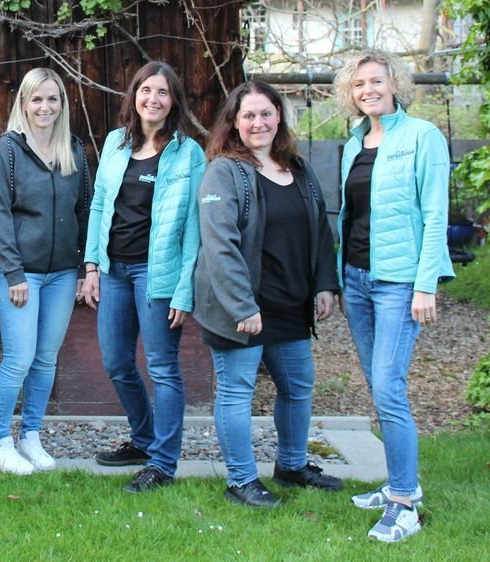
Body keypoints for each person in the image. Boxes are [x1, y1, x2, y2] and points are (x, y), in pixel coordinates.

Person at [195, 80, 342, 509]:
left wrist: (325, 284)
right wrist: (243, 305)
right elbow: (218, 244)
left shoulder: (298, 167)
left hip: (291, 304)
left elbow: (321, 230)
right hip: (241, 308)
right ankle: (241, 480)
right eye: (248, 115)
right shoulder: (223, 171)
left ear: (279, 116)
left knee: (298, 387)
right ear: (234, 123)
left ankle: (292, 465)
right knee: (236, 391)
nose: (258, 122)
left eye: (265, 113)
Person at [333, 49, 453, 543]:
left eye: (376, 81)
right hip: (358, 280)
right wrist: (341, 279)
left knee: (388, 386)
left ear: (395, 84)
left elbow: (435, 214)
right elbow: (349, 215)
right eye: (359, 84)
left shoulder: (423, 137)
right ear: (351, 92)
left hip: (400, 283)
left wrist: (425, 284)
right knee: (379, 385)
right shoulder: (354, 143)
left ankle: (404, 502)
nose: (368, 90)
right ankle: (399, 484)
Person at [80, 61, 204, 493]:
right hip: (114, 270)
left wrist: (184, 289)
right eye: (146, 90)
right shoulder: (117, 142)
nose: (153, 99)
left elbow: (194, 227)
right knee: (116, 361)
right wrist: (92, 266)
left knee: (163, 368)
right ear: (134, 95)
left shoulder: (188, 153)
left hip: (159, 273)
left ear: (174, 102)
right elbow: (98, 205)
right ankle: (145, 439)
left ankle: (163, 464)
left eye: (163, 92)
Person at [0, 68, 90, 475]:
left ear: (61, 103)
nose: (44, 107)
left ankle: (30, 436)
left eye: (52, 99)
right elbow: (1, 215)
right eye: (36, 100)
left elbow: (83, 211)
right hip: (22, 274)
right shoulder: (7, 150)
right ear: (23, 104)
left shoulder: (74, 150)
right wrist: (13, 274)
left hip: (62, 274)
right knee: (19, 359)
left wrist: (82, 267)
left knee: (45, 359)